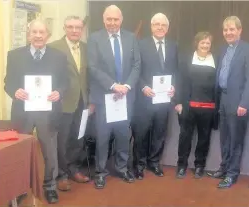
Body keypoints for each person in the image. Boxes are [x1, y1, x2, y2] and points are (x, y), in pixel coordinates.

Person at [4, 19, 68, 204]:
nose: (38, 36)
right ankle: (19, 188)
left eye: (42, 32)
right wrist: (14, 91)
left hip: (48, 113)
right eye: (34, 32)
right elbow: (8, 82)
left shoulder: (59, 56)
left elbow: (65, 82)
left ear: (48, 35)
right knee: (20, 152)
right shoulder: (14, 55)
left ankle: (50, 187)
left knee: (49, 152)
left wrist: (59, 92)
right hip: (22, 112)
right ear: (28, 34)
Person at [87, 5, 140, 189]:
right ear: (103, 19)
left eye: (115, 19)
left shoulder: (131, 38)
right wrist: (112, 85)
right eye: (109, 19)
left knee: (123, 134)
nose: (112, 22)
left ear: (121, 19)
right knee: (103, 135)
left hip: (125, 96)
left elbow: (137, 66)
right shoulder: (94, 38)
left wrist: (126, 86)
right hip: (104, 97)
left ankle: (122, 167)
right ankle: (101, 172)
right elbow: (93, 67)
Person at [207, 16, 249, 189]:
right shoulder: (222, 49)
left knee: (236, 139)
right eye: (225, 29)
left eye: (232, 29)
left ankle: (232, 174)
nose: (228, 32)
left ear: (239, 30)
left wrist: (245, 103)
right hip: (223, 99)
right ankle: (224, 167)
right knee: (224, 138)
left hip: (239, 103)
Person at [132, 13, 177, 179]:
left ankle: (154, 162)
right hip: (144, 99)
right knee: (141, 133)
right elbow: (135, 70)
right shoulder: (140, 44)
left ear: (167, 27)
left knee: (159, 132)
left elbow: (176, 71)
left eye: (163, 25)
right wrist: (143, 87)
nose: (160, 27)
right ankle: (139, 164)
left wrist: (174, 87)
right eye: (156, 24)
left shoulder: (173, 46)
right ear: (151, 27)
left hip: (163, 100)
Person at [49, 15, 90, 192]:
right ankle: (61, 175)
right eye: (71, 27)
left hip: (83, 102)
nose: (75, 31)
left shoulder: (87, 48)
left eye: (78, 28)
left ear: (82, 30)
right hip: (63, 102)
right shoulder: (53, 48)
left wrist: (91, 100)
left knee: (78, 137)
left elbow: (89, 76)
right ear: (64, 28)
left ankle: (74, 169)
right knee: (62, 139)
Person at [174, 32, 218, 179]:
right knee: (185, 137)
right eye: (202, 43)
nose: (205, 45)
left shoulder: (216, 59)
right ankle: (181, 166)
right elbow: (180, 81)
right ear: (197, 43)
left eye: (208, 43)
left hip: (208, 108)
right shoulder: (187, 58)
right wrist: (178, 102)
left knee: (204, 138)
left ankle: (200, 166)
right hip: (188, 106)